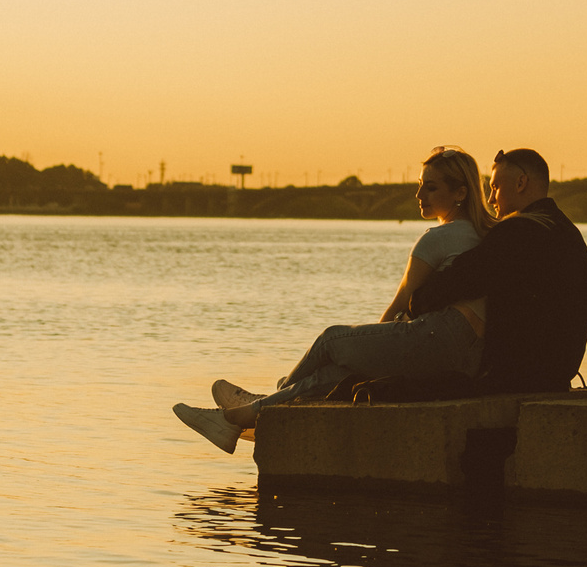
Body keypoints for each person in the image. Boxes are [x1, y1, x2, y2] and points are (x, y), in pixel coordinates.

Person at [172, 147, 494, 453]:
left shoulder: (438, 238)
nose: (419, 195)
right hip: (467, 352)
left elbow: (398, 307)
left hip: (441, 337)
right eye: (419, 186)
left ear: (460, 193)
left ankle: (267, 401)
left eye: (430, 188)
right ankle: (240, 418)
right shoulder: (482, 235)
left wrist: (371, 349)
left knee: (332, 340)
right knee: (332, 376)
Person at [403, 147, 587, 394]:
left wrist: (414, 305)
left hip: (518, 375)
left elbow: (461, 279)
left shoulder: (519, 230)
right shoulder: (568, 232)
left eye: (495, 188)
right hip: (556, 372)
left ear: (521, 183)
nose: (491, 199)